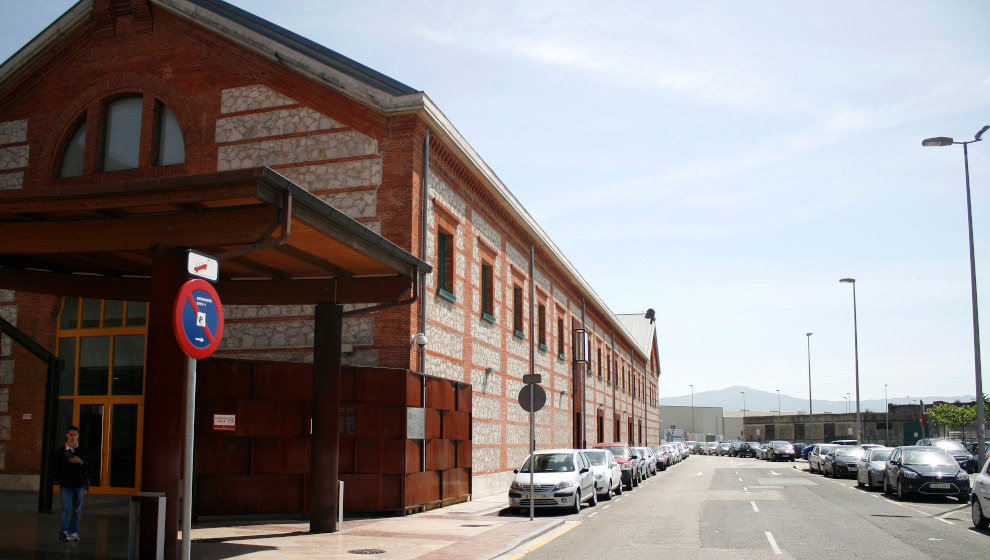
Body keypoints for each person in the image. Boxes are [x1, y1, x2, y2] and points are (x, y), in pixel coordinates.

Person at [53, 426, 92, 543]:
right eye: (71, 434)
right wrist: (61, 479)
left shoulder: (84, 451)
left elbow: (91, 466)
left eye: (75, 435)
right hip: (66, 485)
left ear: (78, 436)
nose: (73, 437)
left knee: (77, 509)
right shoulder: (61, 452)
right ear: (67, 435)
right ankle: (64, 531)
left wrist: (81, 461)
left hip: (79, 484)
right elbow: (55, 467)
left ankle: (73, 532)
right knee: (66, 508)